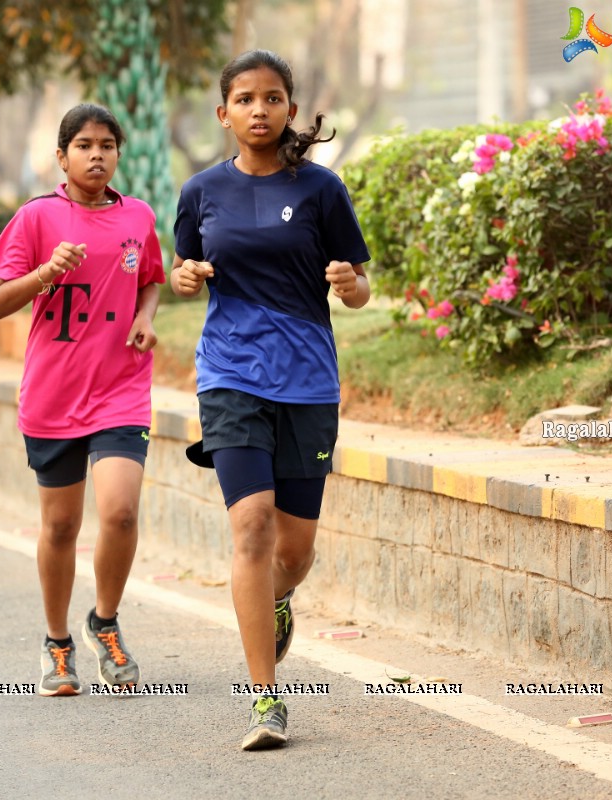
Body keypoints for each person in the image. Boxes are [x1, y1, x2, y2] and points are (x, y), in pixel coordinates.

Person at [171, 50, 372, 750]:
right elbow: (183, 268)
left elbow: (359, 283)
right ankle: (265, 699)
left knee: (294, 551)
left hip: (308, 381)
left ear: (290, 108)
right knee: (251, 526)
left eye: (274, 97)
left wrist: (350, 286)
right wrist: (186, 278)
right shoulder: (200, 193)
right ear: (223, 113)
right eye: (246, 99)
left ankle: (279, 599)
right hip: (229, 374)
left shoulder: (321, 190)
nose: (260, 109)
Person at [0, 103, 163, 697]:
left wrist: (144, 317)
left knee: (120, 512)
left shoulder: (138, 216)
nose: (97, 154)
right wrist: (45, 274)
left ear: (118, 154)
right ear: (62, 157)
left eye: (107, 145)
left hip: (121, 388)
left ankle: (104, 622)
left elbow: (153, 279)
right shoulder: (36, 218)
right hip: (54, 394)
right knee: (60, 527)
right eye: (84, 145)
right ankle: (58, 643)